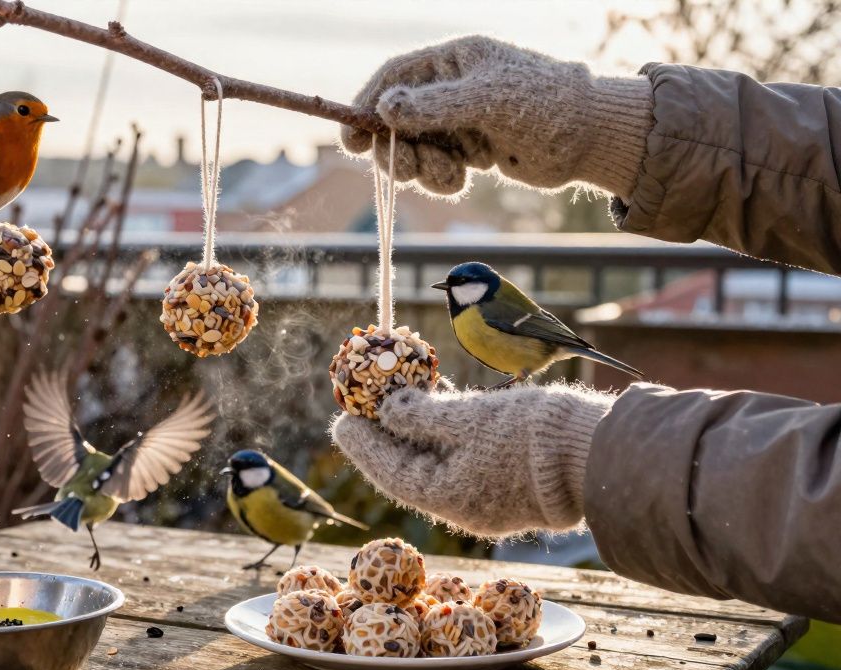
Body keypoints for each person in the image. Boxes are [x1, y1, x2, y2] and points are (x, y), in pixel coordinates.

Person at [333, 36, 841, 624]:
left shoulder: (491, 311)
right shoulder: (476, 310)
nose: (452, 295)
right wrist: (599, 122)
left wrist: (573, 455)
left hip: (549, 357)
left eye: (459, 286)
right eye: (451, 288)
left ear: (479, 289)